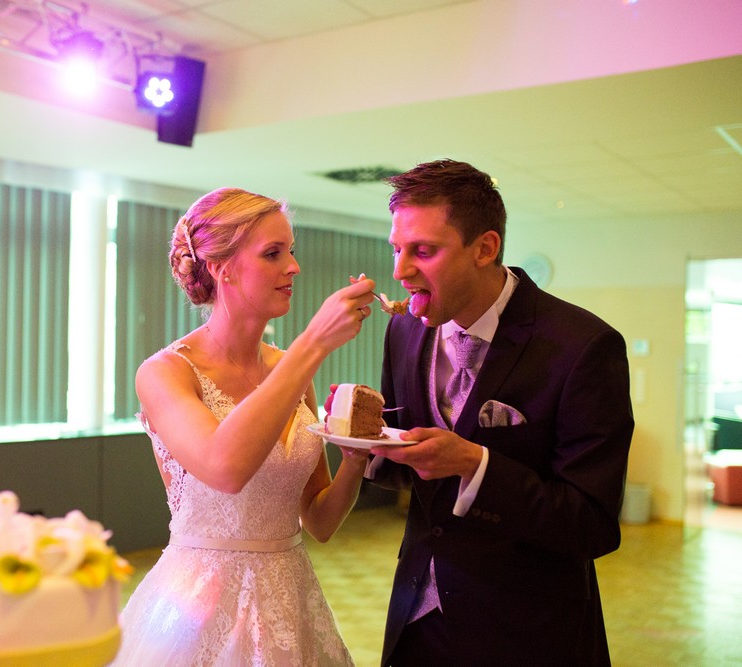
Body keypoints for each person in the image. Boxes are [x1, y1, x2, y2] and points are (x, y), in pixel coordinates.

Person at [361, 159, 634, 666]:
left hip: (529, 632)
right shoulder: (404, 331)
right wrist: (363, 441)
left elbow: (592, 525)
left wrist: (475, 466)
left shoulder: (582, 346)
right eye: (397, 249)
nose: (400, 270)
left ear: (485, 247)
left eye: (424, 250)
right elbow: (414, 473)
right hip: (416, 622)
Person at [114, 187, 377, 666]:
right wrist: (313, 344)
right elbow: (225, 467)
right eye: (274, 253)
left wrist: (357, 459)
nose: (293, 266)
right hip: (199, 607)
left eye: (291, 251)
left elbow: (319, 521)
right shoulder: (166, 372)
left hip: (290, 601)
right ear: (222, 267)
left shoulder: (291, 370)